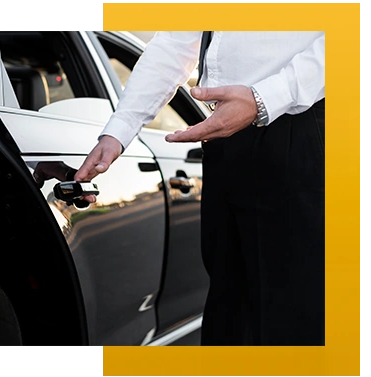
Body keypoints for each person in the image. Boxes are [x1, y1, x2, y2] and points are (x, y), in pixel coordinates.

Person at [74, 31, 325, 346]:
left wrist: (264, 97)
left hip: (297, 128)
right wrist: (119, 130)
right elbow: (174, 44)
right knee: (228, 311)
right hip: (223, 142)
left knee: (294, 319)